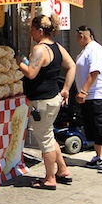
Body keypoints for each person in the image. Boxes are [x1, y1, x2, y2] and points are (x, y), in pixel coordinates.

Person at [19, 13, 76, 190]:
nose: (31, 34)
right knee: (49, 136)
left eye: (32, 30)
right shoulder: (57, 47)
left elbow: (30, 73)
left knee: (45, 141)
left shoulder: (40, 50)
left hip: (42, 101)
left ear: (40, 30)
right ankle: (63, 169)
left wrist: (19, 61)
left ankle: (50, 178)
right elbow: (72, 65)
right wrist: (65, 89)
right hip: (53, 98)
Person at [73, 26, 102, 174]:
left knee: (101, 127)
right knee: (92, 128)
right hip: (89, 97)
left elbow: (95, 71)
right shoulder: (85, 51)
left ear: (82, 36)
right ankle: (99, 157)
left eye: (77, 36)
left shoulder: (95, 49)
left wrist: (84, 91)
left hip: (98, 95)